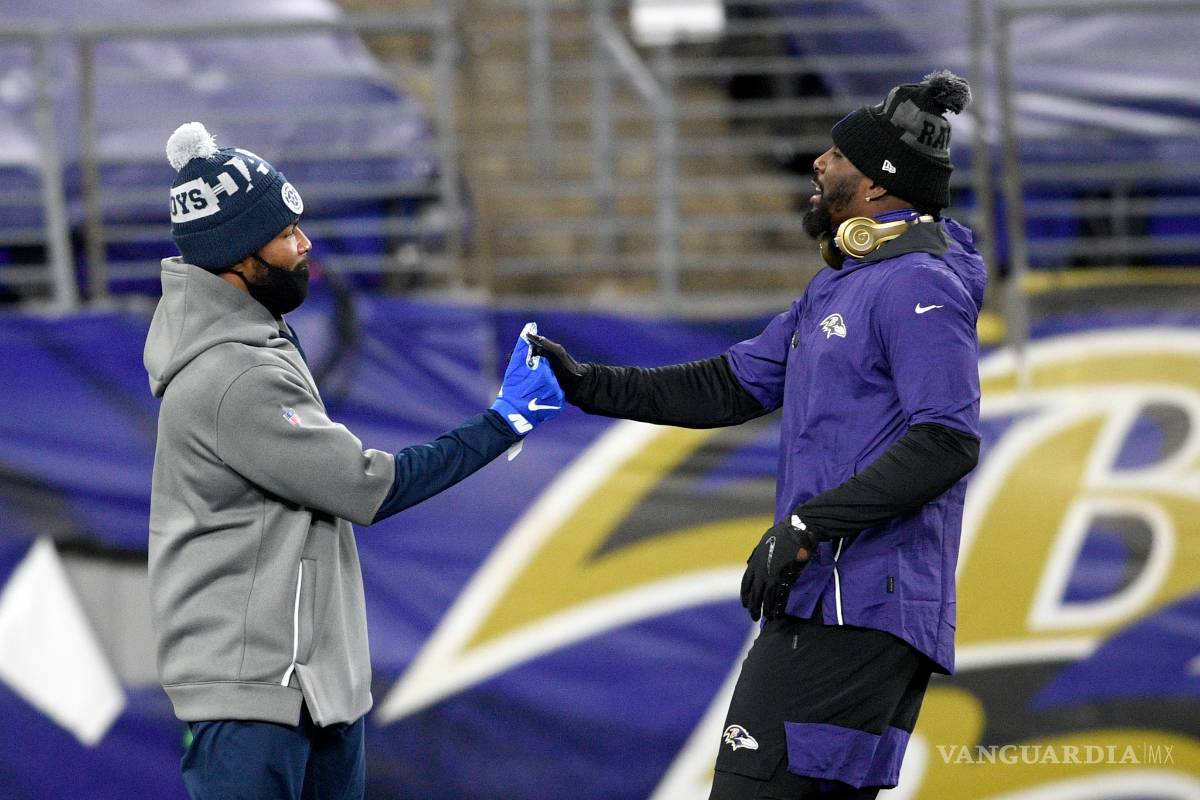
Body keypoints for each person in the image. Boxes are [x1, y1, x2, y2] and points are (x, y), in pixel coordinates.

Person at [529, 70, 985, 800]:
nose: (819, 163)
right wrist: (586, 384)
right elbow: (727, 385)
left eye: (837, 155)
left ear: (875, 187)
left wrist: (808, 524)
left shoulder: (918, 284)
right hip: (832, 605)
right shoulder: (840, 285)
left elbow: (947, 441)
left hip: (858, 607)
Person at [145, 122, 563, 800]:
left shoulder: (256, 342)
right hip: (256, 695)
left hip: (308, 688)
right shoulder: (232, 376)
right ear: (234, 261)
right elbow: (371, 486)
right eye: (283, 234)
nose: (305, 245)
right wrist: (504, 421)